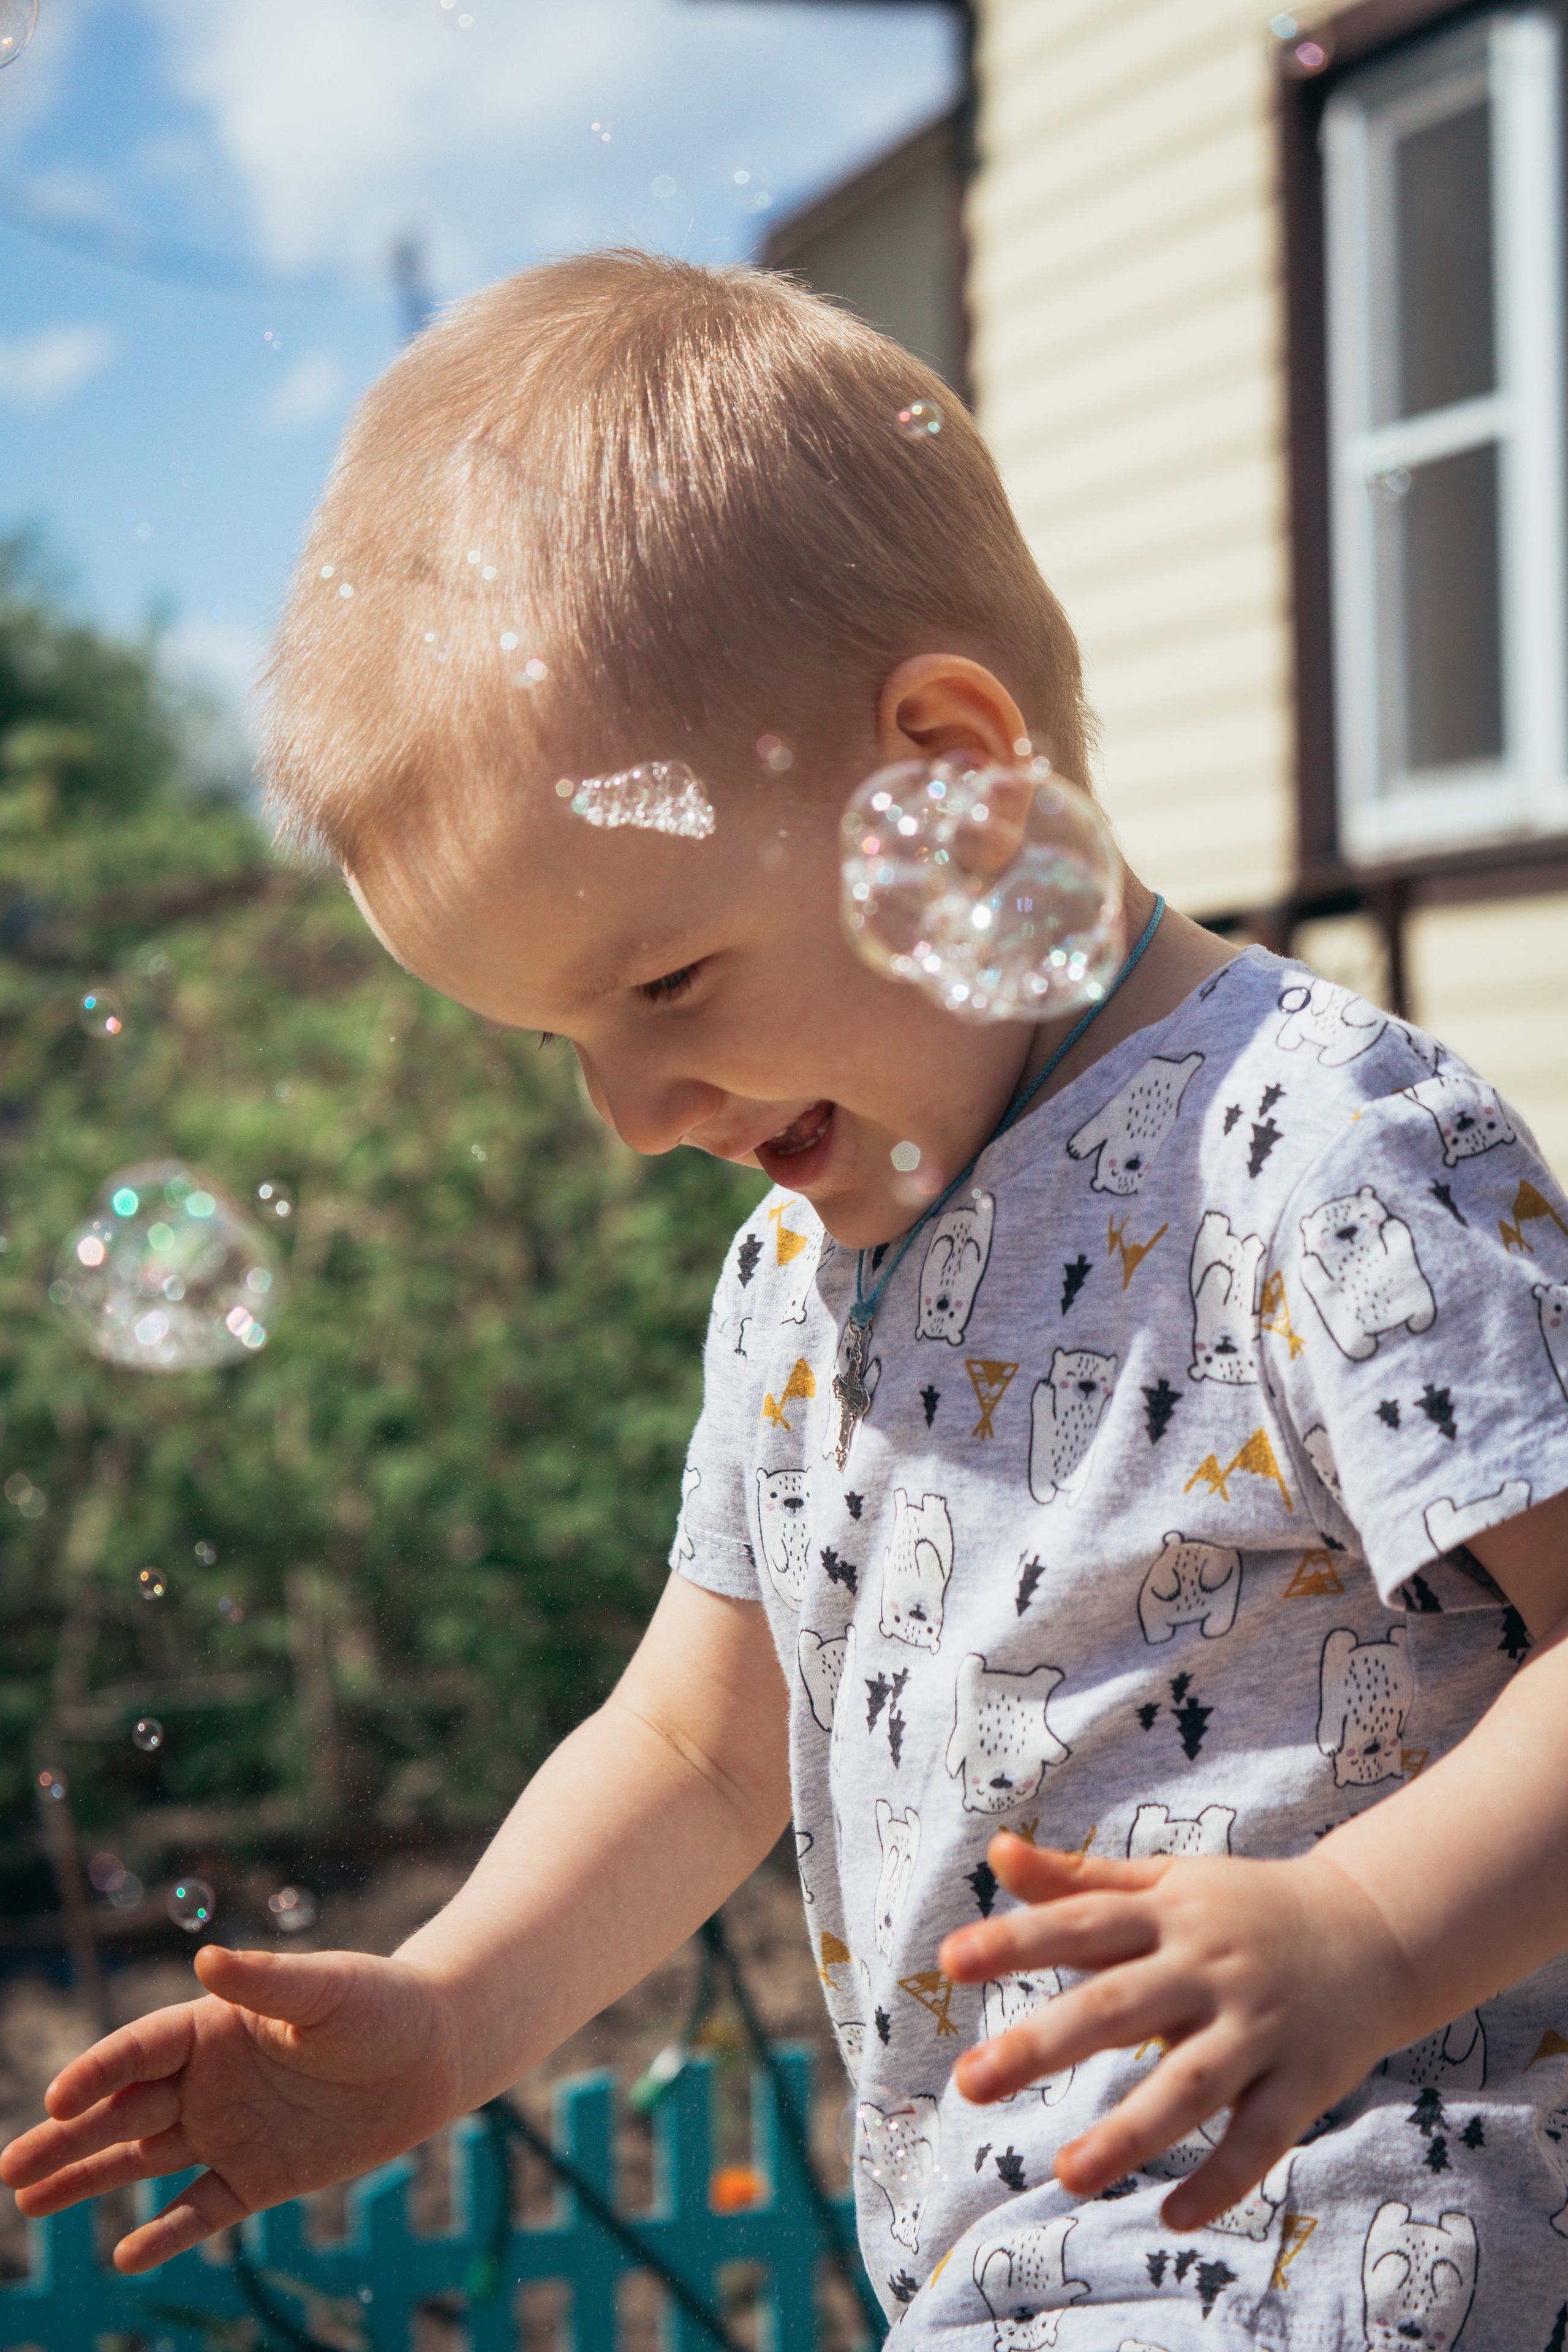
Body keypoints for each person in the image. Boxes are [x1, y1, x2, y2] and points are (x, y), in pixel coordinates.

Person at [6, 252, 1568, 2350]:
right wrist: (453, 2010)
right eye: (567, 1042)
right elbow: (692, 1743)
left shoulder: (1316, 1147)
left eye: (663, 987)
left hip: (1357, 2246)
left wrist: (1364, 1931)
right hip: (991, 2290)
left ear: (949, 775)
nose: (638, 1112)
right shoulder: (797, 1279)